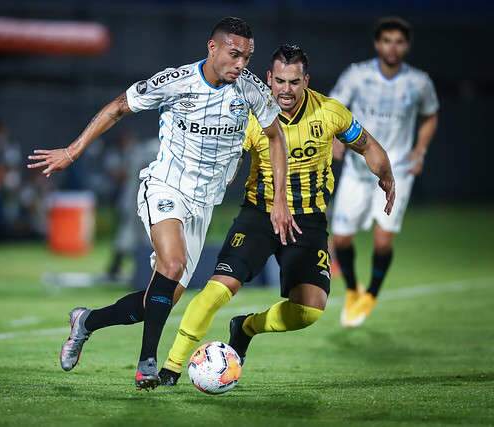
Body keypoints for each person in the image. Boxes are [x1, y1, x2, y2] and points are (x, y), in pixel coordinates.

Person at [27, 17, 293, 390]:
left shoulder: (251, 90)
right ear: (212, 48)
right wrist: (73, 151)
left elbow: (275, 137)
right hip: (165, 186)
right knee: (172, 262)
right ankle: (146, 364)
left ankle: (85, 322)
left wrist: (279, 198)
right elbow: (119, 106)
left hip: (203, 206)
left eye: (247, 57)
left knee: (156, 300)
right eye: (234, 55)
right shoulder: (176, 81)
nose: (241, 64)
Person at [158, 44, 395, 385]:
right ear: (269, 78)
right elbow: (224, 156)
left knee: (309, 310)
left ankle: (246, 327)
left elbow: (367, 144)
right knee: (219, 286)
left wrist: (385, 176)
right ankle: (171, 367)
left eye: (294, 82)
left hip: (308, 220)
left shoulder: (329, 112)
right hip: (260, 214)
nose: (286, 89)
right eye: (280, 81)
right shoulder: (250, 116)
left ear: (306, 81)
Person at [330, 17, 439, 327]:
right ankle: (352, 290)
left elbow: (431, 115)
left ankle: (372, 294)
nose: (393, 46)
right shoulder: (357, 75)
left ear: (407, 46)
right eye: (387, 40)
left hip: (398, 172)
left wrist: (420, 151)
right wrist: (338, 140)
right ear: (377, 44)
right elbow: (334, 108)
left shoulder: (419, 82)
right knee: (340, 239)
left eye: (399, 41)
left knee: (382, 242)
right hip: (357, 168)